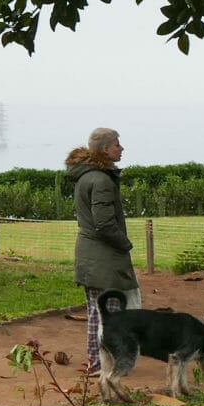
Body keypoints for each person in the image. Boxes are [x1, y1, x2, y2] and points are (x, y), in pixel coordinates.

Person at [67, 128, 141, 376]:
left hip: (90, 254)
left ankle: (94, 361)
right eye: (117, 144)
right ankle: (104, 363)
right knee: (109, 313)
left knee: (95, 311)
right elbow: (104, 223)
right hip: (103, 257)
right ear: (105, 149)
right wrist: (125, 243)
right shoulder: (101, 180)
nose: (121, 148)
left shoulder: (86, 177)